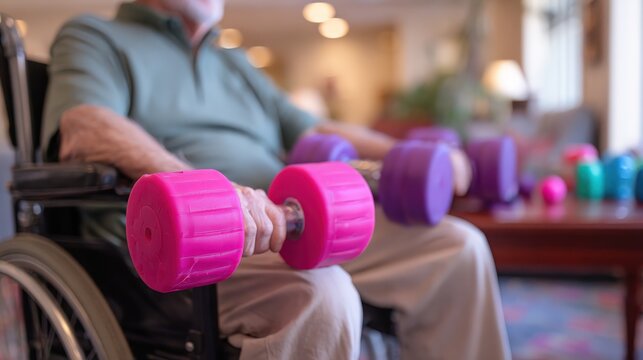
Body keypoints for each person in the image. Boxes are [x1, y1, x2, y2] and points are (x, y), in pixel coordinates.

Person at [42, 1, 511, 359]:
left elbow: (316, 129)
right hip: (194, 245)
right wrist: (209, 192)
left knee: (457, 247)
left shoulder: (235, 62)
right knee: (319, 294)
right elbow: (85, 125)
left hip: (292, 222)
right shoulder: (95, 36)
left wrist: (421, 157)